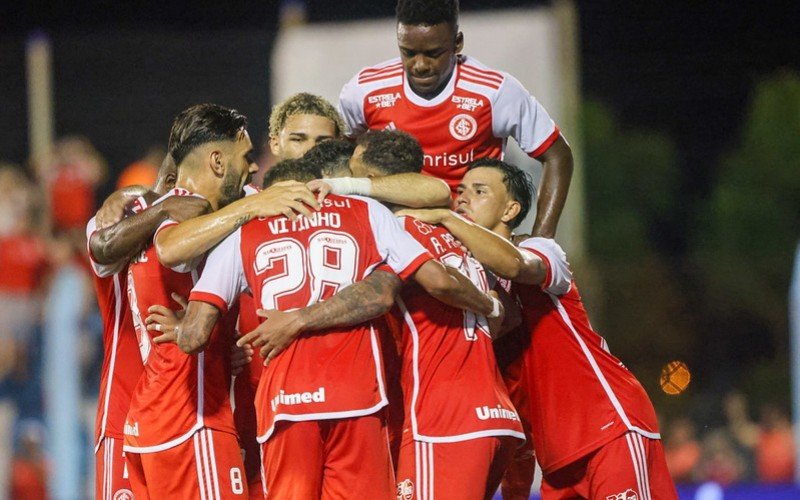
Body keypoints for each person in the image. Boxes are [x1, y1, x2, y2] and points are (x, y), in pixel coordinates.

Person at [148, 160, 502, 499]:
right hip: (359, 398)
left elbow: (194, 337)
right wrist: (490, 305)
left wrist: (181, 328)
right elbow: (428, 282)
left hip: (286, 403)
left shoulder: (241, 233)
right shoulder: (367, 212)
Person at [399, 159, 677, 499]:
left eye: (479, 191)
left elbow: (514, 265)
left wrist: (445, 218)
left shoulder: (541, 250)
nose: (463, 199)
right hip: (556, 458)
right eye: (460, 191)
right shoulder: (473, 290)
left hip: (607, 426)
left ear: (510, 209)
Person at [123, 103, 320, 499]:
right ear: (217, 161)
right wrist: (251, 206)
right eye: (245, 158)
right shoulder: (186, 208)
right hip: (192, 419)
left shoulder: (148, 210)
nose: (251, 169)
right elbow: (171, 247)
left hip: (154, 419)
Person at [350, 130, 558, 499]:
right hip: (496, 417)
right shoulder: (457, 239)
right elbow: (506, 315)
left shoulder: (396, 231)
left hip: (444, 419)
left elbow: (440, 284)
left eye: (355, 177)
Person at [338, 0, 573, 239]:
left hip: (469, 240)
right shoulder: (365, 90)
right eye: (408, 53)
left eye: (433, 54)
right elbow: (338, 155)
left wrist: (542, 239)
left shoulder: (495, 92)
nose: (419, 65)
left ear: (457, 43)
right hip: (391, 233)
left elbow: (558, 155)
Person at [86, 154, 209, 500]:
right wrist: (157, 207)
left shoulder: (198, 240)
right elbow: (101, 247)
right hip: (123, 418)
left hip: (186, 418)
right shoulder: (107, 228)